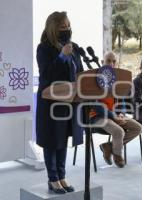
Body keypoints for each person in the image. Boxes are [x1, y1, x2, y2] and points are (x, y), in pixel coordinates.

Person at [36, 12, 83, 194]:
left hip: (69, 101)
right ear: (53, 28)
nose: (67, 29)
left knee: (62, 139)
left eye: (68, 25)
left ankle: (62, 176)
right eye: (63, 26)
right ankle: (53, 179)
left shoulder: (74, 48)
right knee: (52, 140)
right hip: (51, 102)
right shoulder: (44, 49)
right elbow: (46, 75)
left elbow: (79, 72)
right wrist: (62, 57)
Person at [89, 51, 142, 168]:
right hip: (97, 117)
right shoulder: (93, 79)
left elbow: (121, 100)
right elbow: (97, 107)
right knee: (119, 131)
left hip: (114, 115)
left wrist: (122, 114)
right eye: (108, 61)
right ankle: (117, 155)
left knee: (138, 128)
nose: (112, 64)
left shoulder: (117, 79)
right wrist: (114, 116)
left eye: (114, 61)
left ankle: (108, 147)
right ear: (102, 62)